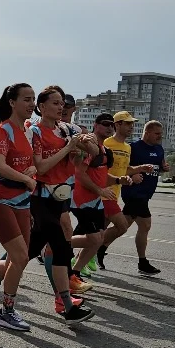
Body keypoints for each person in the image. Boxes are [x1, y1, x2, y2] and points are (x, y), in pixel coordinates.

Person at [27, 86, 95, 322]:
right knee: (61, 247)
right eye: (55, 103)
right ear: (41, 106)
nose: (60, 107)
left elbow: (91, 155)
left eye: (62, 104)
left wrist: (85, 145)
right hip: (40, 197)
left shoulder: (68, 129)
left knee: (26, 253)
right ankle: (66, 305)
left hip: (61, 198)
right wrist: (68, 146)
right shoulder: (34, 131)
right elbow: (42, 167)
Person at [0, 83, 39, 331]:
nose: (31, 104)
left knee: (19, 259)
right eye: (26, 99)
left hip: (21, 200)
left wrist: (30, 171)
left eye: (33, 99)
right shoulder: (3, 130)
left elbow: (30, 165)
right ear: (12, 102)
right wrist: (25, 178)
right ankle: (7, 312)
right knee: (20, 256)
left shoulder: (26, 130)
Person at [91, 111, 151, 272]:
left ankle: (88, 256)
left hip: (114, 193)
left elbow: (124, 169)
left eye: (132, 123)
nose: (131, 127)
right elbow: (99, 168)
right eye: (128, 123)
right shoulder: (107, 143)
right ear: (117, 125)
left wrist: (139, 169)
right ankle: (83, 254)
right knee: (122, 226)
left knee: (99, 231)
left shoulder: (127, 147)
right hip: (102, 193)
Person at [70, 114, 125, 286]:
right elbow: (79, 174)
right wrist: (100, 190)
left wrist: (117, 180)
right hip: (81, 200)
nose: (110, 128)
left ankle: (75, 273)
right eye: (105, 124)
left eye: (112, 125)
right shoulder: (89, 146)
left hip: (95, 200)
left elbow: (100, 176)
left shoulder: (104, 150)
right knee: (94, 239)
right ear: (95, 125)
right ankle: (53, 244)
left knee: (98, 239)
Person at [112, 119, 167, 275]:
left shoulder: (159, 149)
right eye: (156, 133)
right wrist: (134, 173)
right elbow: (123, 167)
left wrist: (164, 168)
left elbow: (158, 167)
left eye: (161, 134)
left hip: (146, 193)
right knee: (145, 225)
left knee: (122, 226)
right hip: (134, 193)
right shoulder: (133, 148)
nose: (159, 136)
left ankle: (99, 247)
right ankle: (142, 262)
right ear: (147, 133)